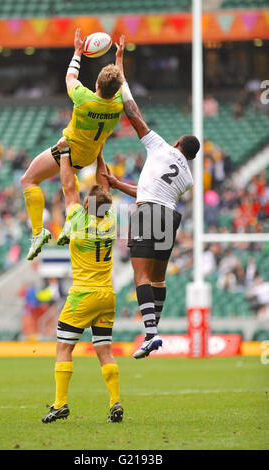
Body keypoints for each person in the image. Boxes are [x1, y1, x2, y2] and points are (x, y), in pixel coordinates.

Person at [103, 36, 200, 359]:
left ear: (176, 144)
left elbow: (132, 112)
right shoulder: (187, 176)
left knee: (140, 275)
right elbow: (151, 191)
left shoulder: (160, 147)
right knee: (158, 278)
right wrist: (119, 184)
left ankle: (151, 333)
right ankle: (152, 332)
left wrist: (120, 70)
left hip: (147, 213)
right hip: (168, 215)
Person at [22, 28, 124, 261]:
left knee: (28, 179)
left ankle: (38, 232)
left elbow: (70, 77)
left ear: (97, 84)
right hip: (90, 153)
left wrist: (78, 52)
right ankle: (69, 224)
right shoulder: (118, 106)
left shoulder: (85, 98)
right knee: (68, 186)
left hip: (70, 150)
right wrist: (119, 60)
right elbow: (122, 85)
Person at [42, 148, 123, 424]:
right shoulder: (111, 222)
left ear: (87, 206)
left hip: (82, 295)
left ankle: (60, 403)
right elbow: (104, 186)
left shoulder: (78, 220)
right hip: (107, 295)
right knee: (104, 350)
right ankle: (115, 402)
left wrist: (65, 153)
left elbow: (68, 185)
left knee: (64, 348)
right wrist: (99, 154)